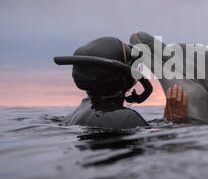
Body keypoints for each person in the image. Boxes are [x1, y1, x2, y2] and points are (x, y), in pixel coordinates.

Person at [54, 37, 188, 129]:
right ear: (123, 78)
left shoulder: (79, 110)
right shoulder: (125, 119)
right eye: (135, 66)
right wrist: (175, 123)